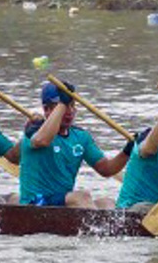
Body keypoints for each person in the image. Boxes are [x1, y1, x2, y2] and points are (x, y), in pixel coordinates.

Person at [17, 80, 126, 209]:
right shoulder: (34, 130)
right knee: (81, 197)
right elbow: (42, 141)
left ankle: (104, 229)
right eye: (62, 106)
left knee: (107, 203)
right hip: (35, 202)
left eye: (72, 105)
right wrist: (63, 103)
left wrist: (128, 150)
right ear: (46, 109)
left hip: (61, 201)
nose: (69, 111)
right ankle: (92, 229)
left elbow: (107, 169)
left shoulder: (80, 137)